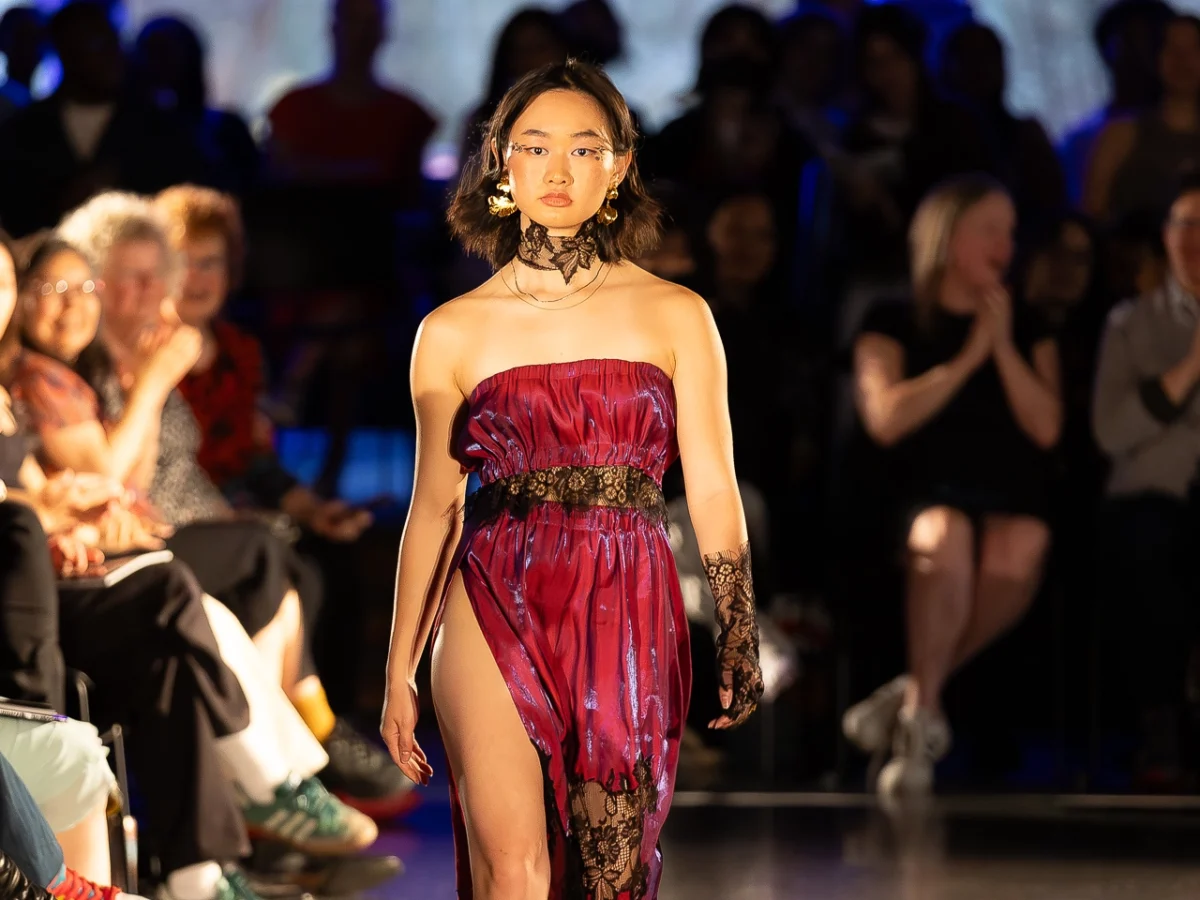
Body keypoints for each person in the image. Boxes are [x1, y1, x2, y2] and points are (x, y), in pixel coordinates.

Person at [379, 60, 764, 898]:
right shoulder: (450, 332)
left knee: (608, 874)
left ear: (620, 166)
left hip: (628, 590)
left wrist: (737, 623)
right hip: (492, 589)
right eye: (536, 146)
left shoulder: (677, 314)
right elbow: (434, 512)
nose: (559, 170)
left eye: (586, 149)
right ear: (500, 162)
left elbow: (712, 486)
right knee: (511, 867)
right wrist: (397, 669)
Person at [842, 175, 1061, 795]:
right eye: (990, 229)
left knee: (1025, 542)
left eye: (1010, 232)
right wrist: (967, 358)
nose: (1005, 244)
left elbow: (1047, 428)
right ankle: (918, 729)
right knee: (947, 533)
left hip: (1006, 492)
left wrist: (1002, 347)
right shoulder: (891, 316)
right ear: (948, 235)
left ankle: (913, 698)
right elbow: (885, 419)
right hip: (918, 494)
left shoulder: (1027, 320)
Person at [1092, 173, 1200, 784]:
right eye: (1184, 224)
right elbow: (1111, 433)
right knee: (1151, 545)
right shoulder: (1131, 323)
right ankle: (1161, 724)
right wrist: (1187, 370)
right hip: (1152, 499)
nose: (1195, 240)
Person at [1086, 14, 1200, 224]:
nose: (1182, 60)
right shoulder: (1119, 136)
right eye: (1171, 48)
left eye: (1193, 49)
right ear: (1155, 58)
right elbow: (1093, 216)